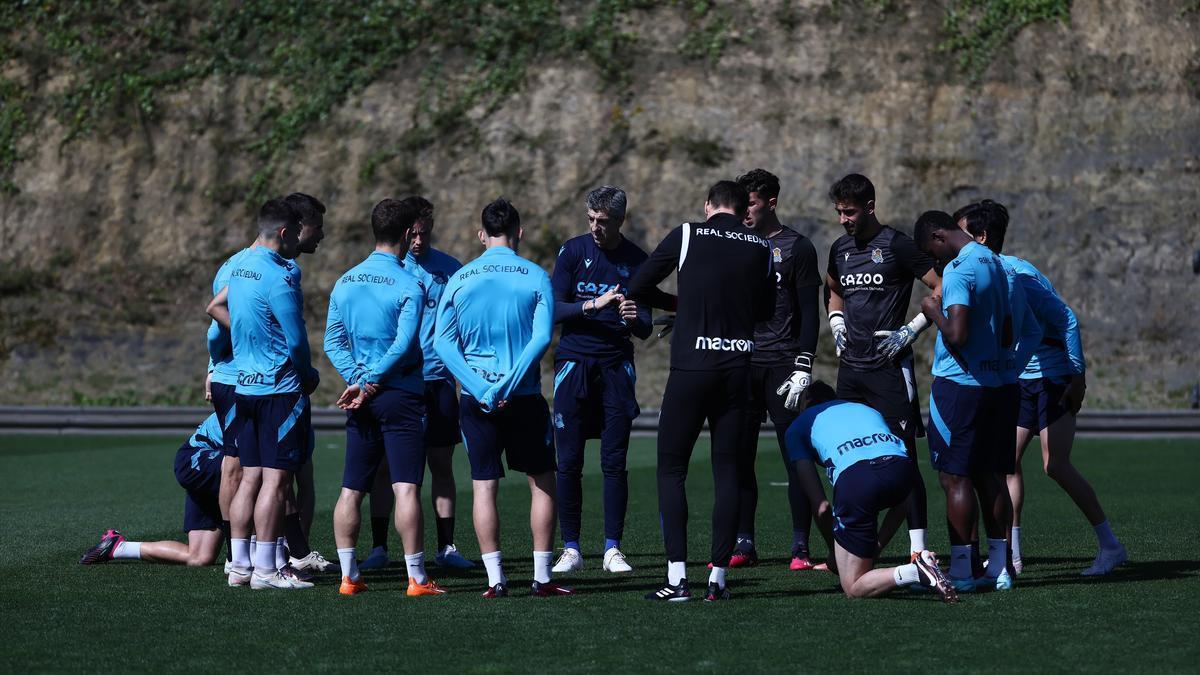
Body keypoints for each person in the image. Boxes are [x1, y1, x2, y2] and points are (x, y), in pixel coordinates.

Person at [956, 200, 1126, 576]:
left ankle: (1111, 546)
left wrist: (1077, 376)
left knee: (1055, 466)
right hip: (1018, 381)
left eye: (963, 234)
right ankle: (1012, 556)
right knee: (1004, 463)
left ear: (982, 238)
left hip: (1052, 377)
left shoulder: (1018, 273)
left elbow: (1066, 319)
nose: (957, 242)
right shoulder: (976, 275)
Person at [628, 180, 775, 602]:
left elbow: (639, 285)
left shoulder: (689, 232)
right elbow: (765, 312)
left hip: (692, 367)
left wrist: (682, 305)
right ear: (741, 208)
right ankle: (718, 580)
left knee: (672, 469)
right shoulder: (761, 246)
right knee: (728, 473)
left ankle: (677, 579)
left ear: (708, 204)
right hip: (738, 369)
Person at [433, 197, 570, 598]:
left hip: (478, 401)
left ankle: (496, 579)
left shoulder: (460, 278)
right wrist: (508, 385)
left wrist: (482, 389)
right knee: (542, 482)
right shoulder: (534, 275)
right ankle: (542, 577)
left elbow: (443, 343)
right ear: (519, 233)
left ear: (481, 235)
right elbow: (542, 337)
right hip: (523, 396)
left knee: (483, 486)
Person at [205, 192, 334, 575]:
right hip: (277, 386)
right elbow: (295, 339)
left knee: (249, 477)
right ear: (284, 231)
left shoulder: (239, 266)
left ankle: (239, 563)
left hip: (243, 385)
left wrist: (219, 360)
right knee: (276, 482)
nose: (301, 239)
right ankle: (267, 568)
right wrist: (308, 373)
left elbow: (214, 310)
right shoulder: (281, 272)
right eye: (297, 232)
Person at [323, 198, 446, 597]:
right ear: (410, 232)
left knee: (351, 489)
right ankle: (417, 578)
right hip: (400, 395)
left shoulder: (346, 280)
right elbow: (404, 342)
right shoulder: (409, 283)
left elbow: (332, 341)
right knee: (406, 487)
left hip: (360, 397)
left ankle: (349, 576)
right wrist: (373, 379)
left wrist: (357, 378)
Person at [915, 210, 1039, 592]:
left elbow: (959, 332)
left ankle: (965, 570)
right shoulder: (1000, 265)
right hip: (1000, 383)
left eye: (932, 252)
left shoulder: (960, 269)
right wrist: (1007, 367)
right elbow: (1011, 328)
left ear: (938, 237)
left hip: (961, 386)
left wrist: (931, 309)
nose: (936, 263)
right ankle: (1000, 567)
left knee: (955, 476)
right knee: (990, 475)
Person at [824, 174, 940, 558]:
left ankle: (919, 550)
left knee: (903, 458)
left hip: (889, 369)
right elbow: (834, 290)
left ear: (870, 207)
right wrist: (836, 321)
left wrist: (913, 329)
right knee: (850, 457)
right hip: (851, 371)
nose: (844, 219)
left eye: (850, 212)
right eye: (839, 212)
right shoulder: (840, 248)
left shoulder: (896, 245)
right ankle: (855, 547)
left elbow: (941, 287)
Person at [548, 186, 650, 576]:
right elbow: (555, 309)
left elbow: (643, 325)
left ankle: (612, 548)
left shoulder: (638, 260)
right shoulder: (573, 251)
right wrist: (594, 304)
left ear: (620, 221)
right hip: (574, 364)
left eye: (602, 222)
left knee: (613, 462)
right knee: (568, 462)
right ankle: (571, 547)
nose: (594, 227)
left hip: (615, 368)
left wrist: (631, 317)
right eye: (590, 219)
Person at [784, 382, 958, 602]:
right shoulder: (865, 408)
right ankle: (918, 562)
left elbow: (822, 506)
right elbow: (906, 496)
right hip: (903, 469)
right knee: (902, 497)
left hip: (856, 480)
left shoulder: (799, 426)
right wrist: (876, 548)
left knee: (854, 586)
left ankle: (915, 571)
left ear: (805, 405)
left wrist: (837, 552)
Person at [731, 168, 821, 570]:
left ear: (770, 203)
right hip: (743, 363)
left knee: (796, 458)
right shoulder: (732, 245)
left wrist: (805, 362)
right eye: (740, 202)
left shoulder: (797, 247)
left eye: (749, 202)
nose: (743, 210)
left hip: (784, 365)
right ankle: (744, 543)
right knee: (739, 457)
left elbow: (809, 313)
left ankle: (800, 547)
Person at [80, 414, 227, 567]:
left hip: (218, 461)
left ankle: (118, 547)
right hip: (198, 457)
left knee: (200, 557)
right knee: (245, 471)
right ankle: (244, 556)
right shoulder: (246, 401)